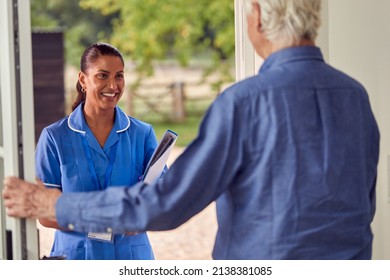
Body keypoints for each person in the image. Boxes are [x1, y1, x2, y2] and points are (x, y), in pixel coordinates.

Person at [3, 0, 380, 260]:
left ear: (260, 18)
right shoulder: (355, 96)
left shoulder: (244, 103)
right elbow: (363, 203)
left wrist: (49, 202)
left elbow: (164, 203)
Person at [32, 42, 159, 260]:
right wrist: (101, 223)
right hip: (77, 257)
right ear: (83, 79)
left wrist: (143, 217)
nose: (113, 85)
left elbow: (159, 197)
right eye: (103, 76)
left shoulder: (143, 134)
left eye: (119, 76)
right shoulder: (54, 138)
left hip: (131, 259)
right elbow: (45, 212)